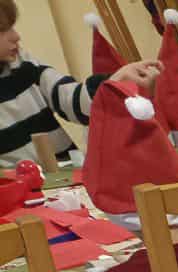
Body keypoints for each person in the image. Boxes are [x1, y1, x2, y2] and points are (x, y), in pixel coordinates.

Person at [0, 0, 156, 164]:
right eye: (3, 30)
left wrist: (115, 80)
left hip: (65, 175)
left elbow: (71, 100)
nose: (16, 36)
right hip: (17, 186)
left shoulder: (24, 64)